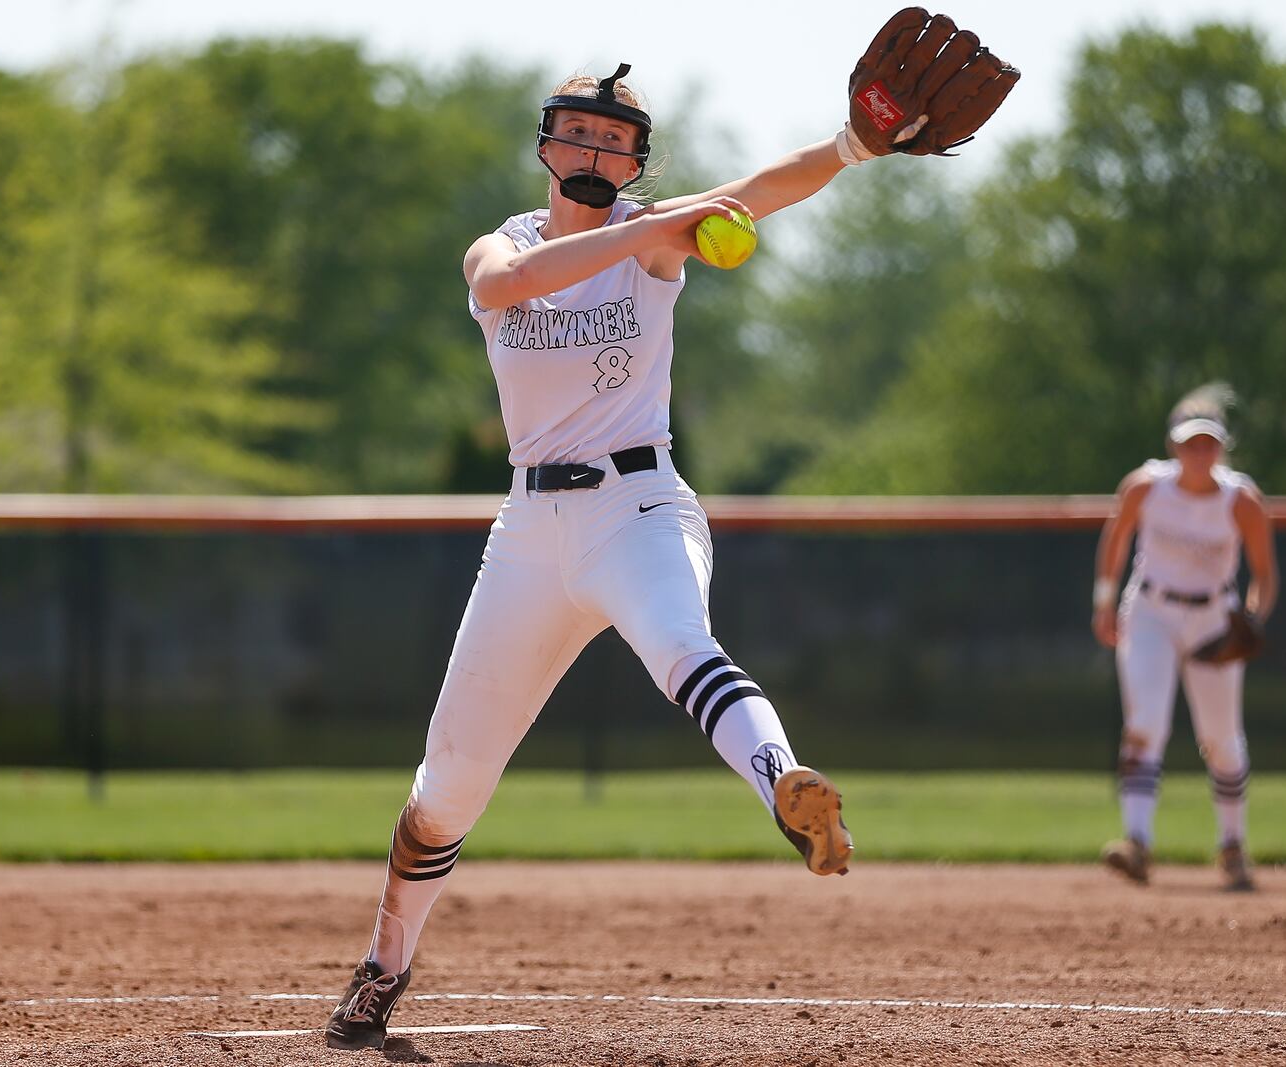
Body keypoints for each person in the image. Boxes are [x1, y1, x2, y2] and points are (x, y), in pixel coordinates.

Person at [323, 64, 874, 1051]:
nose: (592, 151)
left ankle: (789, 790)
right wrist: (662, 225)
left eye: (613, 139)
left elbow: (767, 187)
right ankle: (385, 964)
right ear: (545, 146)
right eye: (576, 133)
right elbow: (508, 285)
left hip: (639, 505)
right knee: (444, 788)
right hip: (529, 534)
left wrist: (852, 148)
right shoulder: (505, 245)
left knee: (681, 645)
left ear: (634, 157)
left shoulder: (662, 240)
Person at [1090, 384, 1279, 892]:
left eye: (1209, 443)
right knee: (1144, 724)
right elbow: (1117, 538)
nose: (1200, 452)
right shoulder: (1146, 488)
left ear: (1221, 447)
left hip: (1214, 619)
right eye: (1190, 443)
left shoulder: (1241, 500)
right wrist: (1104, 601)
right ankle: (1136, 842)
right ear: (1174, 446)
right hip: (1151, 610)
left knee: (1220, 738)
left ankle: (1233, 846)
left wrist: (1253, 620)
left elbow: (1264, 575)